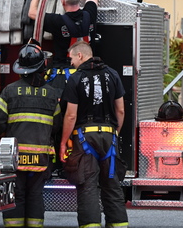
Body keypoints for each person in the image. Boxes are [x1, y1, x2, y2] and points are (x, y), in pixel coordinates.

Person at [59, 41, 128, 228]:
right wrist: (114, 134)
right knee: (112, 185)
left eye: (71, 58)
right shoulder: (113, 75)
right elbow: (120, 111)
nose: (71, 63)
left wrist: (64, 142)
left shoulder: (75, 78)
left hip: (84, 138)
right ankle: (119, 224)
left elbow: (71, 115)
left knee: (88, 186)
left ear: (80, 55)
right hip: (109, 137)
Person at [0, 42, 62, 228]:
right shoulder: (51, 94)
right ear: (42, 67)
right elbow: (56, 126)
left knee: (16, 194)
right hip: (41, 158)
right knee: (35, 195)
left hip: (14, 158)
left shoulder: (9, 91)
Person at [28, 0, 98, 71]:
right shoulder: (90, 14)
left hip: (64, 71)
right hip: (88, 69)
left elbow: (32, 13)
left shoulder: (57, 21)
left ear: (63, 1)